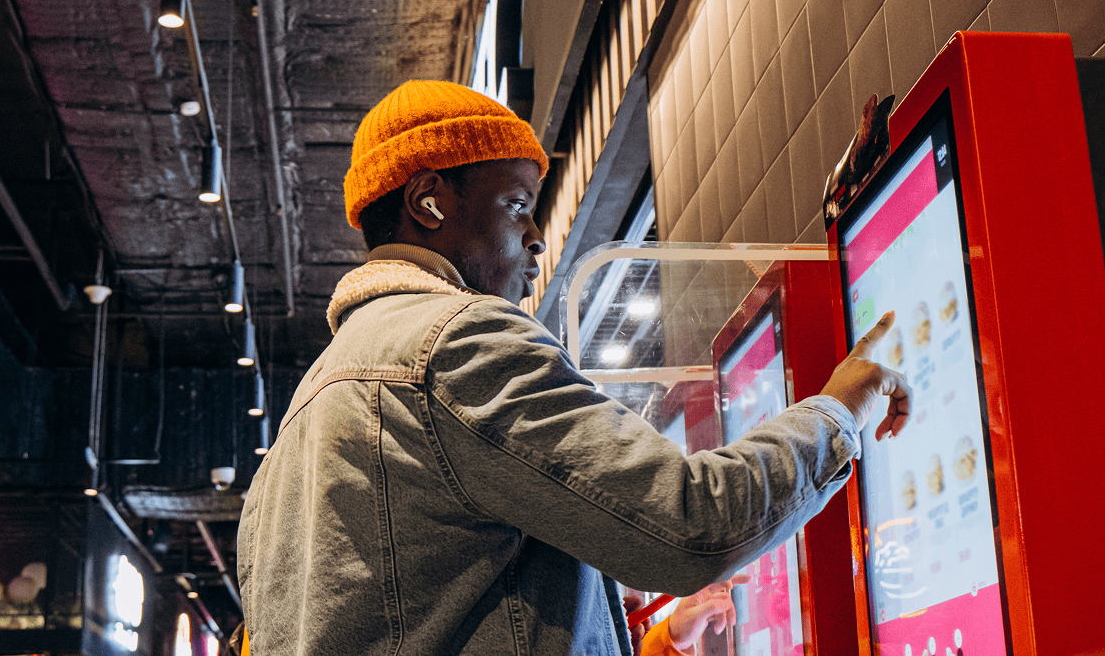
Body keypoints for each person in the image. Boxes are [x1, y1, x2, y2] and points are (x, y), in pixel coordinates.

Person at [237, 80, 910, 655]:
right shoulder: (455, 344)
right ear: (429, 202)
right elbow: (691, 522)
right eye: (518, 205)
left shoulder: (302, 422)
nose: (535, 238)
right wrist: (842, 408)